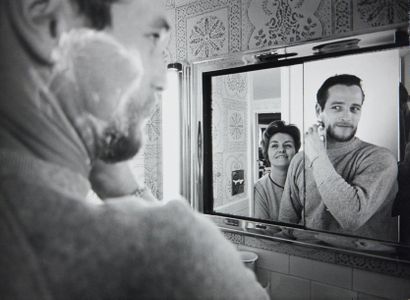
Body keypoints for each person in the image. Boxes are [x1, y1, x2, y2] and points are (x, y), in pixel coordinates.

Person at [0, 1, 269, 299]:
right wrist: (132, 195)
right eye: (153, 37)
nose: (163, 80)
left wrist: (119, 184)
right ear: (47, 21)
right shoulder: (166, 253)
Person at [278, 74, 398, 241]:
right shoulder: (299, 161)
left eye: (354, 108)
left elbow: (352, 217)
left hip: (363, 266)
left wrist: (317, 156)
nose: (347, 116)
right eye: (337, 107)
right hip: (302, 260)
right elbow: (286, 223)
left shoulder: (381, 159)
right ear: (319, 111)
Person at [254, 120, 301, 220]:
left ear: (296, 151)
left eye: (287, 145)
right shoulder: (259, 189)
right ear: (266, 151)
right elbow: (263, 232)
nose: (281, 150)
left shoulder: (304, 183)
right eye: (275, 145)